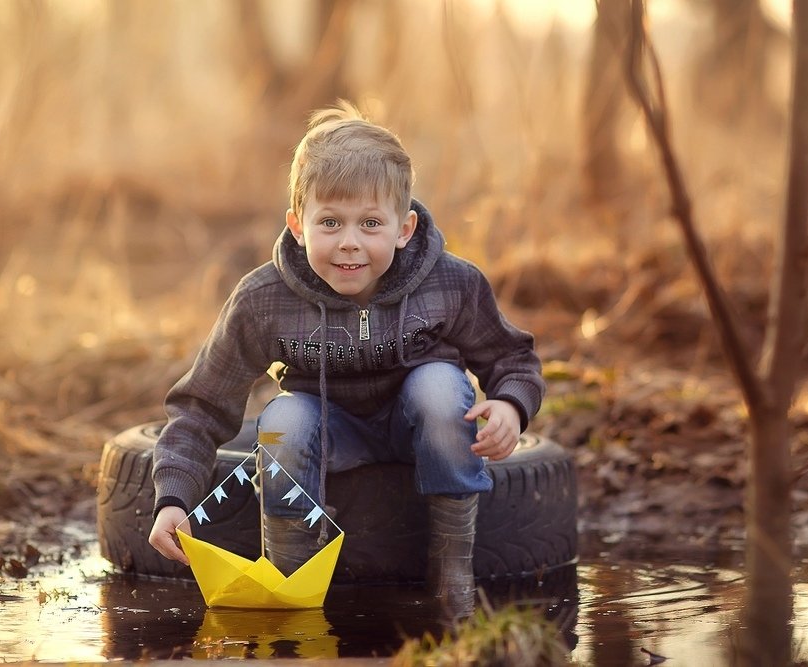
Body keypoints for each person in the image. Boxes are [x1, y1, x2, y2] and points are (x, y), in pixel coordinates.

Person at [148, 100, 545, 618]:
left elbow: (512, 358)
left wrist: (511, 408)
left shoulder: (451, 283)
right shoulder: (264, 299)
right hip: (330, 435)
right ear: (297, 225)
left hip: (421, 427)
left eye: (371, 224)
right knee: (282, 419)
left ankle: (451, 568)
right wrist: (174, 497)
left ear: (404, 229)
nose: (350, 244)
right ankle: (293, 572)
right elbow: (202, 405)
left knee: (440, 386)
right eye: (330, 222)